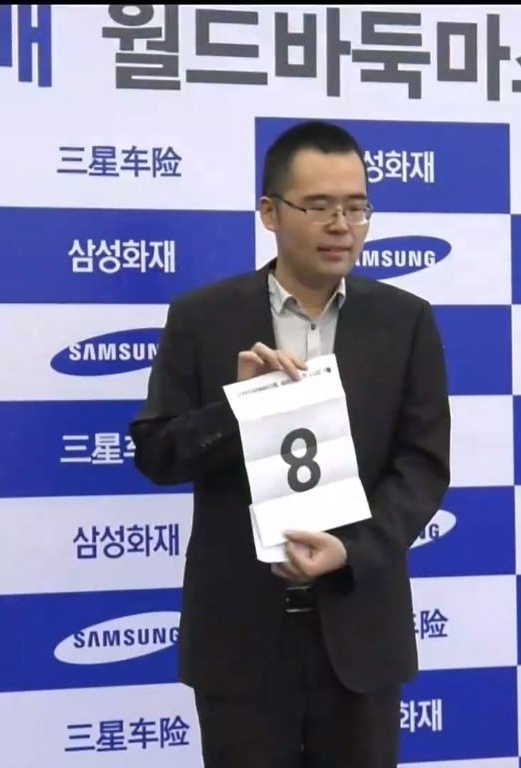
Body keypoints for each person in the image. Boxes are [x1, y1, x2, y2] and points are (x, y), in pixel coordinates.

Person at [128, 119, 451, 768]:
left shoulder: (404, 320)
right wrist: (237, 408)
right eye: (320, 206)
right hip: (240, 636)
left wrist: (351, 550)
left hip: (360, 631)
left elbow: (422, 467)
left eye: (356, 207)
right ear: (270, 213)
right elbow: (157, 454)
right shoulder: (203, 318)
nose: (342, 226)